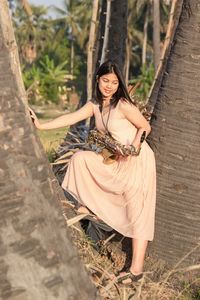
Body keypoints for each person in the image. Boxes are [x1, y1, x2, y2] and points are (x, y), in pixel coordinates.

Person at [29, 60, 156, 284]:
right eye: (105, 80)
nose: (109, 86)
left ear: (119, 85)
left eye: (114, 82)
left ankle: (136, 270)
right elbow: (70, 117)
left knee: (138, 210)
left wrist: (136, 142)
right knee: (80, 159)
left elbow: (145, 126)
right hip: (117, 160)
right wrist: (41, 125)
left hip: (138, 160)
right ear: (98, 80)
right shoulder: (95, 105)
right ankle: (85, 205)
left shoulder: (123, 104)